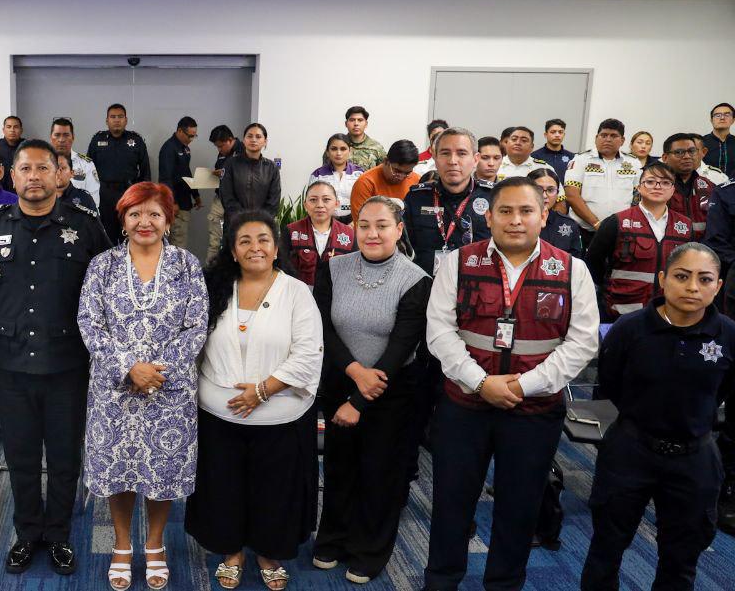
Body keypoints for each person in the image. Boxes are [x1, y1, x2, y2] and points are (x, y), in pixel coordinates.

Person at [423, 176, 599, 591]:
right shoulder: (459, 262)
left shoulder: (571, 269)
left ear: (544, 216)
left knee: (519, 508)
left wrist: (523, 386)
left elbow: (582, 343)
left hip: (533, 411)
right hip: (464, 407)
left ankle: (504, 584)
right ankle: (441, 582)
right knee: (451, 504)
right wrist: (481, 382)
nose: (515, 220)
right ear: (489, 216)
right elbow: (439, 332)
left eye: (525, 211)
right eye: (505, 211)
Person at [0, 139, 111, 576]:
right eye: (25, 169)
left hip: (68, 362)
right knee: (21, 455)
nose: (34, 177)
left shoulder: (85, 226)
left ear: (59, 174)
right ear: (13, 176)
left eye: (44, 168)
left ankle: (59, 534)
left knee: (64, 457)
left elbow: (107, 291)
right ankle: (27, 533)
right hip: (8, 361)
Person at [581, 242, 735, 590]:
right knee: (606, 549)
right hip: (631, 449)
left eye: (704, 279)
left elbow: (724, 391)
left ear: (718, 286)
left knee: (681, 560)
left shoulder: (728, 335)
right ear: (663, 279)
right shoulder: (630, 329)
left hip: (694, 456)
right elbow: (611, 383)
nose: (692, 287)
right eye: (682, 276)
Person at [75, 182, 206, 590]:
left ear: (168, 219)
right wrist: (129, 367)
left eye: (154, 214)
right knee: (119, 469)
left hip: (169, 390)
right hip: (114, 390)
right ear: (123, 219)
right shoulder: (103, 265)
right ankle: (121, 544)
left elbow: (196, 326)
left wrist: (155, 371)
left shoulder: (187, 265)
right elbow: (89, 323)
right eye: (135, 214)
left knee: (160, 470)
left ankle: (154, 544)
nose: (144, 222)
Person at [185, 208, 322, 591]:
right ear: (232, 251)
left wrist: (262, 391)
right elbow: (191, 343)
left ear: (276, 249)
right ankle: (232, 552)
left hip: (279, 414)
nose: (254, 247)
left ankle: (268, 553)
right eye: (244, 241)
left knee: (273, 490)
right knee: (224, 487)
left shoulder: (296, 292)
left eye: (263, 240)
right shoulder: (213, 289)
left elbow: (309, 353)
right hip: (218, 413)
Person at [312, 196, 431, 585]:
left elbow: (401, 346)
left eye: (382, 225)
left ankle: (369, 551)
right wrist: (353, 373)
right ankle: (333, 538)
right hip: (340, 382)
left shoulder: (415, 279)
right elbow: (323, 328)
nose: (372, 233)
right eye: (364, 225)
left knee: (380, 473)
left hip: (392, 391)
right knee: (339, 467)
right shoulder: (333, 268)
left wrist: (360, 399)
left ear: (399, 230)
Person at [586, 162, 691, 322]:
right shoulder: (617, 222)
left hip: (668, 312)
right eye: (650, 181)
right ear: (639, 187)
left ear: (673, 189)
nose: (657, 186)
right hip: (620, 313)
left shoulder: (685, 226)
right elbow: (593, 262)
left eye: (665, 182)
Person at [403, 127, 493, 276]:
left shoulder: (493, 197)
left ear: (475, 159)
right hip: (427, 284)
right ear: (435, 157)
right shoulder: (416, 198)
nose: (452, 161)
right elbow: (404, 250)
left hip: (478, 284)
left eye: (461, 153)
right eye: (445, 153)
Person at [563, 119, 642, 244]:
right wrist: (596, 223)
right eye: (604, 135)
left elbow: (638, 196)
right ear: (596, 138)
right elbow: (571, 195)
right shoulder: (581, 160)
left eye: (613, 136)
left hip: (622, 232)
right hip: (585, 231)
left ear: (622, 140)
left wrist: (629, 223)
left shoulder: (633, 163)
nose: (608, 139)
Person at [88, 103, 152, 238]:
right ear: (107, 121)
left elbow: (145, 172)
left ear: (126, 120)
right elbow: (88, 170)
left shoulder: (136, 140)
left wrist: (144, 197)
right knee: (106, 235)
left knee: (130, 233)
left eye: (120, 117)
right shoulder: (97, 140)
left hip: (129, 193)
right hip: (103, 195)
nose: (117, 120)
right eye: (113, 117)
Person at [282, 181, 355, 288]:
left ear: (336, 204)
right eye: (313, 200)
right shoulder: (291, 231)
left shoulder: (349, 234)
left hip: (336, 294)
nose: (320, 205)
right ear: (305, 205)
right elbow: (282, 268)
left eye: (326, 200)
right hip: (298, 293)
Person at [663, 133, 725, 239]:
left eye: (691, 151)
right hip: (668, 246)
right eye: (679, 152)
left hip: (706, 246)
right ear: (665, 158)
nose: (687, 156)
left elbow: (720, 225)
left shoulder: (709, 186)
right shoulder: (655, 187)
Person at [218, 123, 280, 225]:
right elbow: (227, 196)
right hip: (235, 224)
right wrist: (243, 220)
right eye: (249, 136)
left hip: (262, 226)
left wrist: (259, 222)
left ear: (265, 142)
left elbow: (273, 201)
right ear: (244, 140)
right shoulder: (230, 164)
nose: (253, 140)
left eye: (258, 137)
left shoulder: (271, 168)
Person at [158, 117, 201, 249]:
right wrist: (172, 202)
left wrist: (196, 195)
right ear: (180, 131)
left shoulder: (185, 148)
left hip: (184, 201)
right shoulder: (169, 148)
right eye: (190, 136)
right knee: (177, 243)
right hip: (176, 204)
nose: (191, 139)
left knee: (180, 240)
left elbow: (187, 173)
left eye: (194, 136)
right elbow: (165, 178)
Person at [347, 140, 420, 217]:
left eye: (407, 173)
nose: (401, 177)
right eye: (397, 171)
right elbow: (361, 221)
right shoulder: (365, 183)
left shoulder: (417, 182)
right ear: (385, 161)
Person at [309, 134, 364, 221]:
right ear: (327, 152)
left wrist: (355, 222)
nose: (338, 153)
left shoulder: (359, 173)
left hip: (353, 220)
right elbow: (312, 202)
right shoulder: (318, 175)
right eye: (334, 149)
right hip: (326, 220)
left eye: (343, 149)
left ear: (350, 151)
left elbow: (364, 201)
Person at [531, 168, 583, 259]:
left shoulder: (569, 225)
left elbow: (575, 261)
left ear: (557, 193)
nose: (544, 195)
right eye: (538, 189)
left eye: (550, 190)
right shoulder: (517, 222)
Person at [207, 125, 241, 261]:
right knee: (214, 240)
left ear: (230, 140)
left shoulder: (243, 151)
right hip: (220, 198)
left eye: (221, 146)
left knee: (233, 240)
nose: (219, 150)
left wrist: (227, 173)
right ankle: (211, 269)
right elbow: (219, 169)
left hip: (236, 201)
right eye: (217, 147)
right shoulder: (222, 153)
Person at [50, 117, 100, 207]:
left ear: (73, 137)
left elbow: (94, 201)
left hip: (78, 213)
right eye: (57, 135)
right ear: (51, 137)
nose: (61, 140)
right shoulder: (40, 163)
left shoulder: (86, 164)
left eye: (66, 135)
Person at [532, 119, 575, 183]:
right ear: (545, 135)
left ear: (564, 135)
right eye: (553, 132)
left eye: (560, 132)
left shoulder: (572, 157)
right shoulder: (534, 156)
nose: (557, 135)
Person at [704, 102, 735, 179]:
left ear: (733, 120)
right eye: (717, 115)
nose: (722, 118)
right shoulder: (701, 143)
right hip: (706, 185)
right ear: (711, 120)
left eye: (727, 115)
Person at [0, 115, 24, 187]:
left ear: (21, 130)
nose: (12, 130)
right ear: (3, 130)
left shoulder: (27, 147)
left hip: (22, 187)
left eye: (16, 127)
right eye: (9, 127)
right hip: (0, 188)